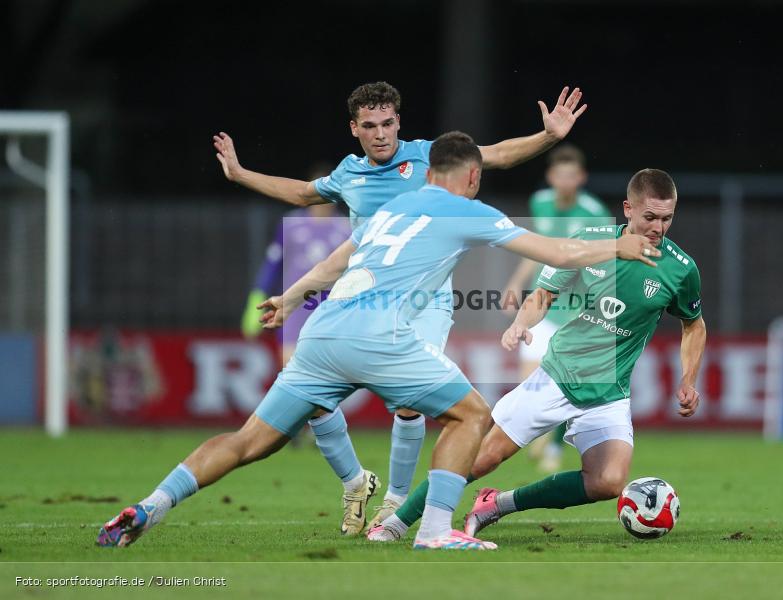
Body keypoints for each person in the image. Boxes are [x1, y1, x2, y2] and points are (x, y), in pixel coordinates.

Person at [97, 132, 661, 550]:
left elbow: (337, 259)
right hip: (379, 334)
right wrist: (619, 248)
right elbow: (560, 253)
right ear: (471, 177)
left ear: (430, 170)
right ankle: (435, 531)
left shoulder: (393, 207)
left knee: (249, 441)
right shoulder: (469, 209)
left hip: (323, 329)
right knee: (471, 416)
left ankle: (152, 505)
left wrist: (291, 299)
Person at [213, 81, 588, 535]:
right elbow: (300, 194)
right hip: (360, 293)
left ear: (398, 122)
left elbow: (498, 155)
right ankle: (354, 482)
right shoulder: (347, 174)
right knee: (313, 401)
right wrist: (240, 173)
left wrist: (547, 137)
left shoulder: (429, 155)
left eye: (388, 123)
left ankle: (394, 499)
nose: (381, 134)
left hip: (425, 298)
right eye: (370, 126)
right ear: (355, 129)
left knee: (410, 403)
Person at [368, 168, 706, 542]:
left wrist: (688, 379)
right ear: (628, 209)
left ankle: (498, 504)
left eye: (666, 218)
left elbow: (694, 324)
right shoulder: (591, 243)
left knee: (608, 481)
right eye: (650, 217)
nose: (659, 227)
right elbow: (543, 295)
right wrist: (521, 323)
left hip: (609, 393)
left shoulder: (681, 269)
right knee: (479, 458)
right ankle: (395, 524)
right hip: (556, 377)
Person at [502, 144, 611, 473]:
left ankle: (551, 446)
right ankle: (541, 439)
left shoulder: (595, 213)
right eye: (559, 175)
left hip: (576, 308)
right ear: (551, 177)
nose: (565, 181)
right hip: (543, 302)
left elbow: (606, 261)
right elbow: (534, 249)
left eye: (571, 175)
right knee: (529, 381)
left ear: (581, 178)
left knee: (565, 381)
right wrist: (515, 282)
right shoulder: (541, 202)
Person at [240, 163, 350, 366]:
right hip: (295, 308)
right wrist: (255, 299)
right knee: (291, 370)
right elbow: (272, 264)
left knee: (328, 376)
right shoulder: (291, 224)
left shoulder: (346, 228)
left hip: (330, 310)